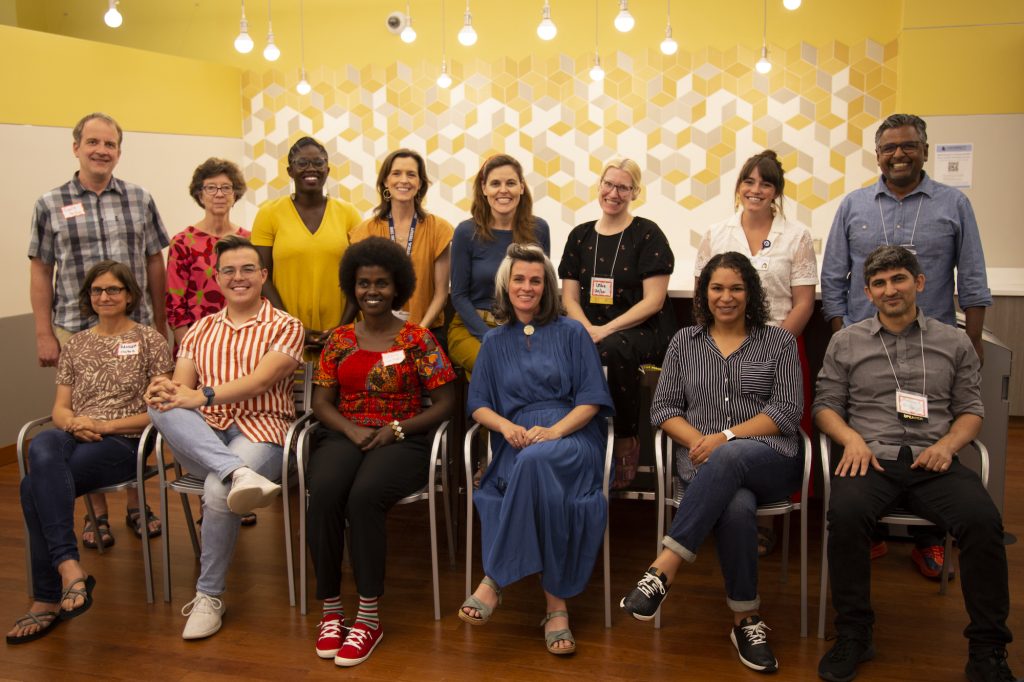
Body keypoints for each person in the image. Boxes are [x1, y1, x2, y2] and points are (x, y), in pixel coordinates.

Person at [814, 245, 1016, 682]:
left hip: (934, 461)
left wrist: (949, 444)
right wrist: (850, 439)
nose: (891, 290)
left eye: (899, 279)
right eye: (880, 283)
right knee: (845, 516)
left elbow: (971, 409)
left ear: (919, 283)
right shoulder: (846, 341)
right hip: (871, 458)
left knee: (984, 522)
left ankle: (987, 649)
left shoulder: (953, 340)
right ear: (868, 292)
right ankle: (854, 633)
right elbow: (825, 405)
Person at [820, 113, 991, 576]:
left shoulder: (953, 204)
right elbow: (834, 275)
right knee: (869, 433)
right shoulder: (854, 205)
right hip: (866, 347)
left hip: (931, 345)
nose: (898, 154)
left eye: (908, 146)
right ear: (877, 156)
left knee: (928, 434)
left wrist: (970, 342)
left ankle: (929, 538)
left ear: (924, 149)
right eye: (888, 148)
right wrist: (843, 336)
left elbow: (972, 276)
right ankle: (868, 532)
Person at [620, 252, 803, 674]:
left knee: (733, 454)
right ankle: (745, 620)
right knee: (736, 504)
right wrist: (702, 441)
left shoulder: (778, 342)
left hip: (771, 458)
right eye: (717, 288)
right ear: (705, 293)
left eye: (736, 288)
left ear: (751, 293)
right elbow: (663, 409)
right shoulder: (684, 342)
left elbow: (787, 411)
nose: (726, 297)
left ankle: (663, 567)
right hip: (702, 461)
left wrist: (725, 437)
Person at [145, 235, 303, 640]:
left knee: (217, 493)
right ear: (217, 279)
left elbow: (260, 381)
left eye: (248, 269)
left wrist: (202, 395)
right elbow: (182, 391)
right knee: (158, 402)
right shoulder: (198, 331)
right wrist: (166, 390)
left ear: (263, 275)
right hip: (206, 434)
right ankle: (237, 472)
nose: (239, 277)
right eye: (229, 271)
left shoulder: (286, 325)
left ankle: (208, 597)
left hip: (262, 429)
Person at [307, 237, 455, 667]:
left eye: (382, 284)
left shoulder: (417, 338)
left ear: (398, 288)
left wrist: (396, 429)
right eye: (363, 283)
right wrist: (350, 430)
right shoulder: (338, 339)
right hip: (345, 432)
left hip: (402, 437)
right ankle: (332, 610)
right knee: (326, 490)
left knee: (364, 496)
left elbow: (447, 403)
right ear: (351, 287)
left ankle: (368, 616)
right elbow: (320, 403)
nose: (371, 291)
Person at [459, 243, 613, 656]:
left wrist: (555, 431)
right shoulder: (493, 341)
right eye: (519, 279)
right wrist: (507, 426)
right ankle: (556, 608)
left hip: (571, 439)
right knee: (533, 472)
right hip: (516, 441)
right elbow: (478, 406)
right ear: (506, 286)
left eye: (536, 280)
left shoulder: (573, 332)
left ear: (548, 287)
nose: (527, 287)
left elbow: (592, 399)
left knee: (534, 463)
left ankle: (494, 579)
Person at [7, 261, 173, 644]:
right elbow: (61, 408)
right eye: (97, 291)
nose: (104, 297)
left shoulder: (150, 341)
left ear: (129, 295)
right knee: (45, 442)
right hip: (74, 432)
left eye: (113, 289)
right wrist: (75, 424)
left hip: (124, 440)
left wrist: (103, 426)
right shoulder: (78, 344)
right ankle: (70, 571)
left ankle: (49, 596)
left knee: (34, 487)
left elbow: (159, 412)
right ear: (88, 298)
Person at [28, 111, 171, 547]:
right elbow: (41, 270)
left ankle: (135, 503)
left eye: (109, 144)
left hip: (136, 325)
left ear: (119, 152)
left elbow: (153, 262)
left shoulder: (139, 198)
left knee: (133, 411)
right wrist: (42, 331)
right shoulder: (49, 203)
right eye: (93, 142)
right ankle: (94, 515)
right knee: (84, 414)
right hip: (76, 328)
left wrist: (161, 323)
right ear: (76, 147)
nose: (101, 151)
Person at [696, 150, 817, 556]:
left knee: (769, 429)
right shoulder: (716, 233)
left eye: (766, 183)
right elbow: (704, 295)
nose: (756, 190)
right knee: (727, 421)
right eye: (749, 181)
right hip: (723, 345)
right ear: (739, 187)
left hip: (780, 342)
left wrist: (773, 346)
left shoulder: (797, 235)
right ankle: (730, 512)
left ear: (776, 192)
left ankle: (763, 521)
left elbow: (803, 302)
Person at [559, 159, 676, 488]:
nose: (614, 192)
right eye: (608, 184)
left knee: (611, 349)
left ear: (635, 192)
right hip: (588, 328)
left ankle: (625, 437)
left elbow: (653, 301)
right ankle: (570, 439)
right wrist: (586, 329)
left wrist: (604, 331)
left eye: (623, 187)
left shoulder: (648, 233)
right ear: (599, 186)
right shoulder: (579, 236)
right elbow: (568, 299)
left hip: (640, 332)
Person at [166, 158, 258, 527]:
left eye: (226, 187)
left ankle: (237, 486)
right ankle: (216, 497)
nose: (219, 194)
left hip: (246, 346)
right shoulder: (183, 242)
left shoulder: (249, 240)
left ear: (235, 193)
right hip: (197, 347)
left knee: (240, 416)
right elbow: (175, 302)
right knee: (205, 421)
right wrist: (195, 350)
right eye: (211, 188)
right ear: (199, 194)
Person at [251, 136, 361, 353]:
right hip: (283, 333)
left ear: (327, 170)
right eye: (302, 163)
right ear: (290, 171)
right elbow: (261, 277)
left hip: (342, 333)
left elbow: (361, 274)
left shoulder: (348, 213)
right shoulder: (269, 214)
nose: (311, 169)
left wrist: (342, 328)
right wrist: (293, 328)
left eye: (318, 163)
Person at [448, 154, 550, 376]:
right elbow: (458, 295)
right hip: (472, 329)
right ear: (484, 189)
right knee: (499, 367)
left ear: (521, 188)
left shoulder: (539, 229)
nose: (503, 190)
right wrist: (490, 338)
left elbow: (543, 289)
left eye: (511, 183)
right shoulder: (466, 232)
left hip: (522, 327)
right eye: (495, 183)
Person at [347, 149, 453, 345]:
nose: (404, 180)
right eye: (396, 173)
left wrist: (418, 332)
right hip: (377, 334)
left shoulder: (439, 230)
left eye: (411, 174)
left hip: (426, 332)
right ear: (385, 182)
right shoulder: (365, 231)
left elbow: (440, 294)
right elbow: (360, 290)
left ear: (420, 183)